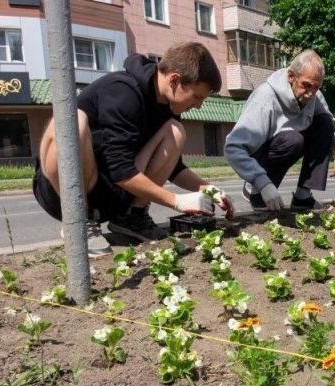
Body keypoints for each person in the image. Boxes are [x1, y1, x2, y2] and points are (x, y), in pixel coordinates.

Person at [34, 42, 233, 258]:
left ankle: (131, 218)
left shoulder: (168, 106)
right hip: (61, 190)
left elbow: (173, 168)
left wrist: (209, 189)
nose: (198, 105)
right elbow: (120, 169)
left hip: (109, 191)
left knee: (175, 131)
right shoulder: (121, 91)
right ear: (174, 80)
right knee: (73, 121)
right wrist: (177, 201)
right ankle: (78, 221)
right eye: (197, 97)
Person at [225, 49, 335, 212]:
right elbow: (233, 147)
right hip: (261, 155)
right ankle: (255, 192)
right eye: (306, 86)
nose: (311, 94)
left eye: (316, 87)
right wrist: (261, 182)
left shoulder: (314, 95)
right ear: (291, 76)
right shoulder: (265, 99)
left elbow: (329, 124)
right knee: (292, 140)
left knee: (324, 121)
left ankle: (302, 197)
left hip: (287, 143)